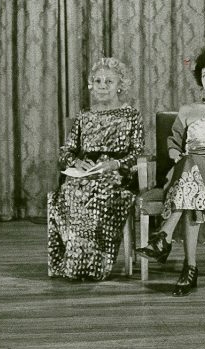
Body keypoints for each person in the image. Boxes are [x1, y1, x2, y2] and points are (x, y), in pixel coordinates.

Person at [136, 46, 205, 296]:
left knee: (192, 172)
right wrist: (179, 156)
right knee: (191, 178)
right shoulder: (188, 110)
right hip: (189, 169)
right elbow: (173, 143)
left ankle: (163, 236)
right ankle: (189, 268)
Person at [47, 57, 144, 281]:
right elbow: (66, 151)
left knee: (96, 194)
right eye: (98, 81)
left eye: (108, 81)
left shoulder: (131, 115)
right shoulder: (84, 116)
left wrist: (116, 164)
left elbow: (140, 152)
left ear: (121, 85)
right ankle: (74, 264)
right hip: (84, 173)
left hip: (116, 174)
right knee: (70, 193)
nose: (102, 85)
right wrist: (76, 162)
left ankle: (93, 266)